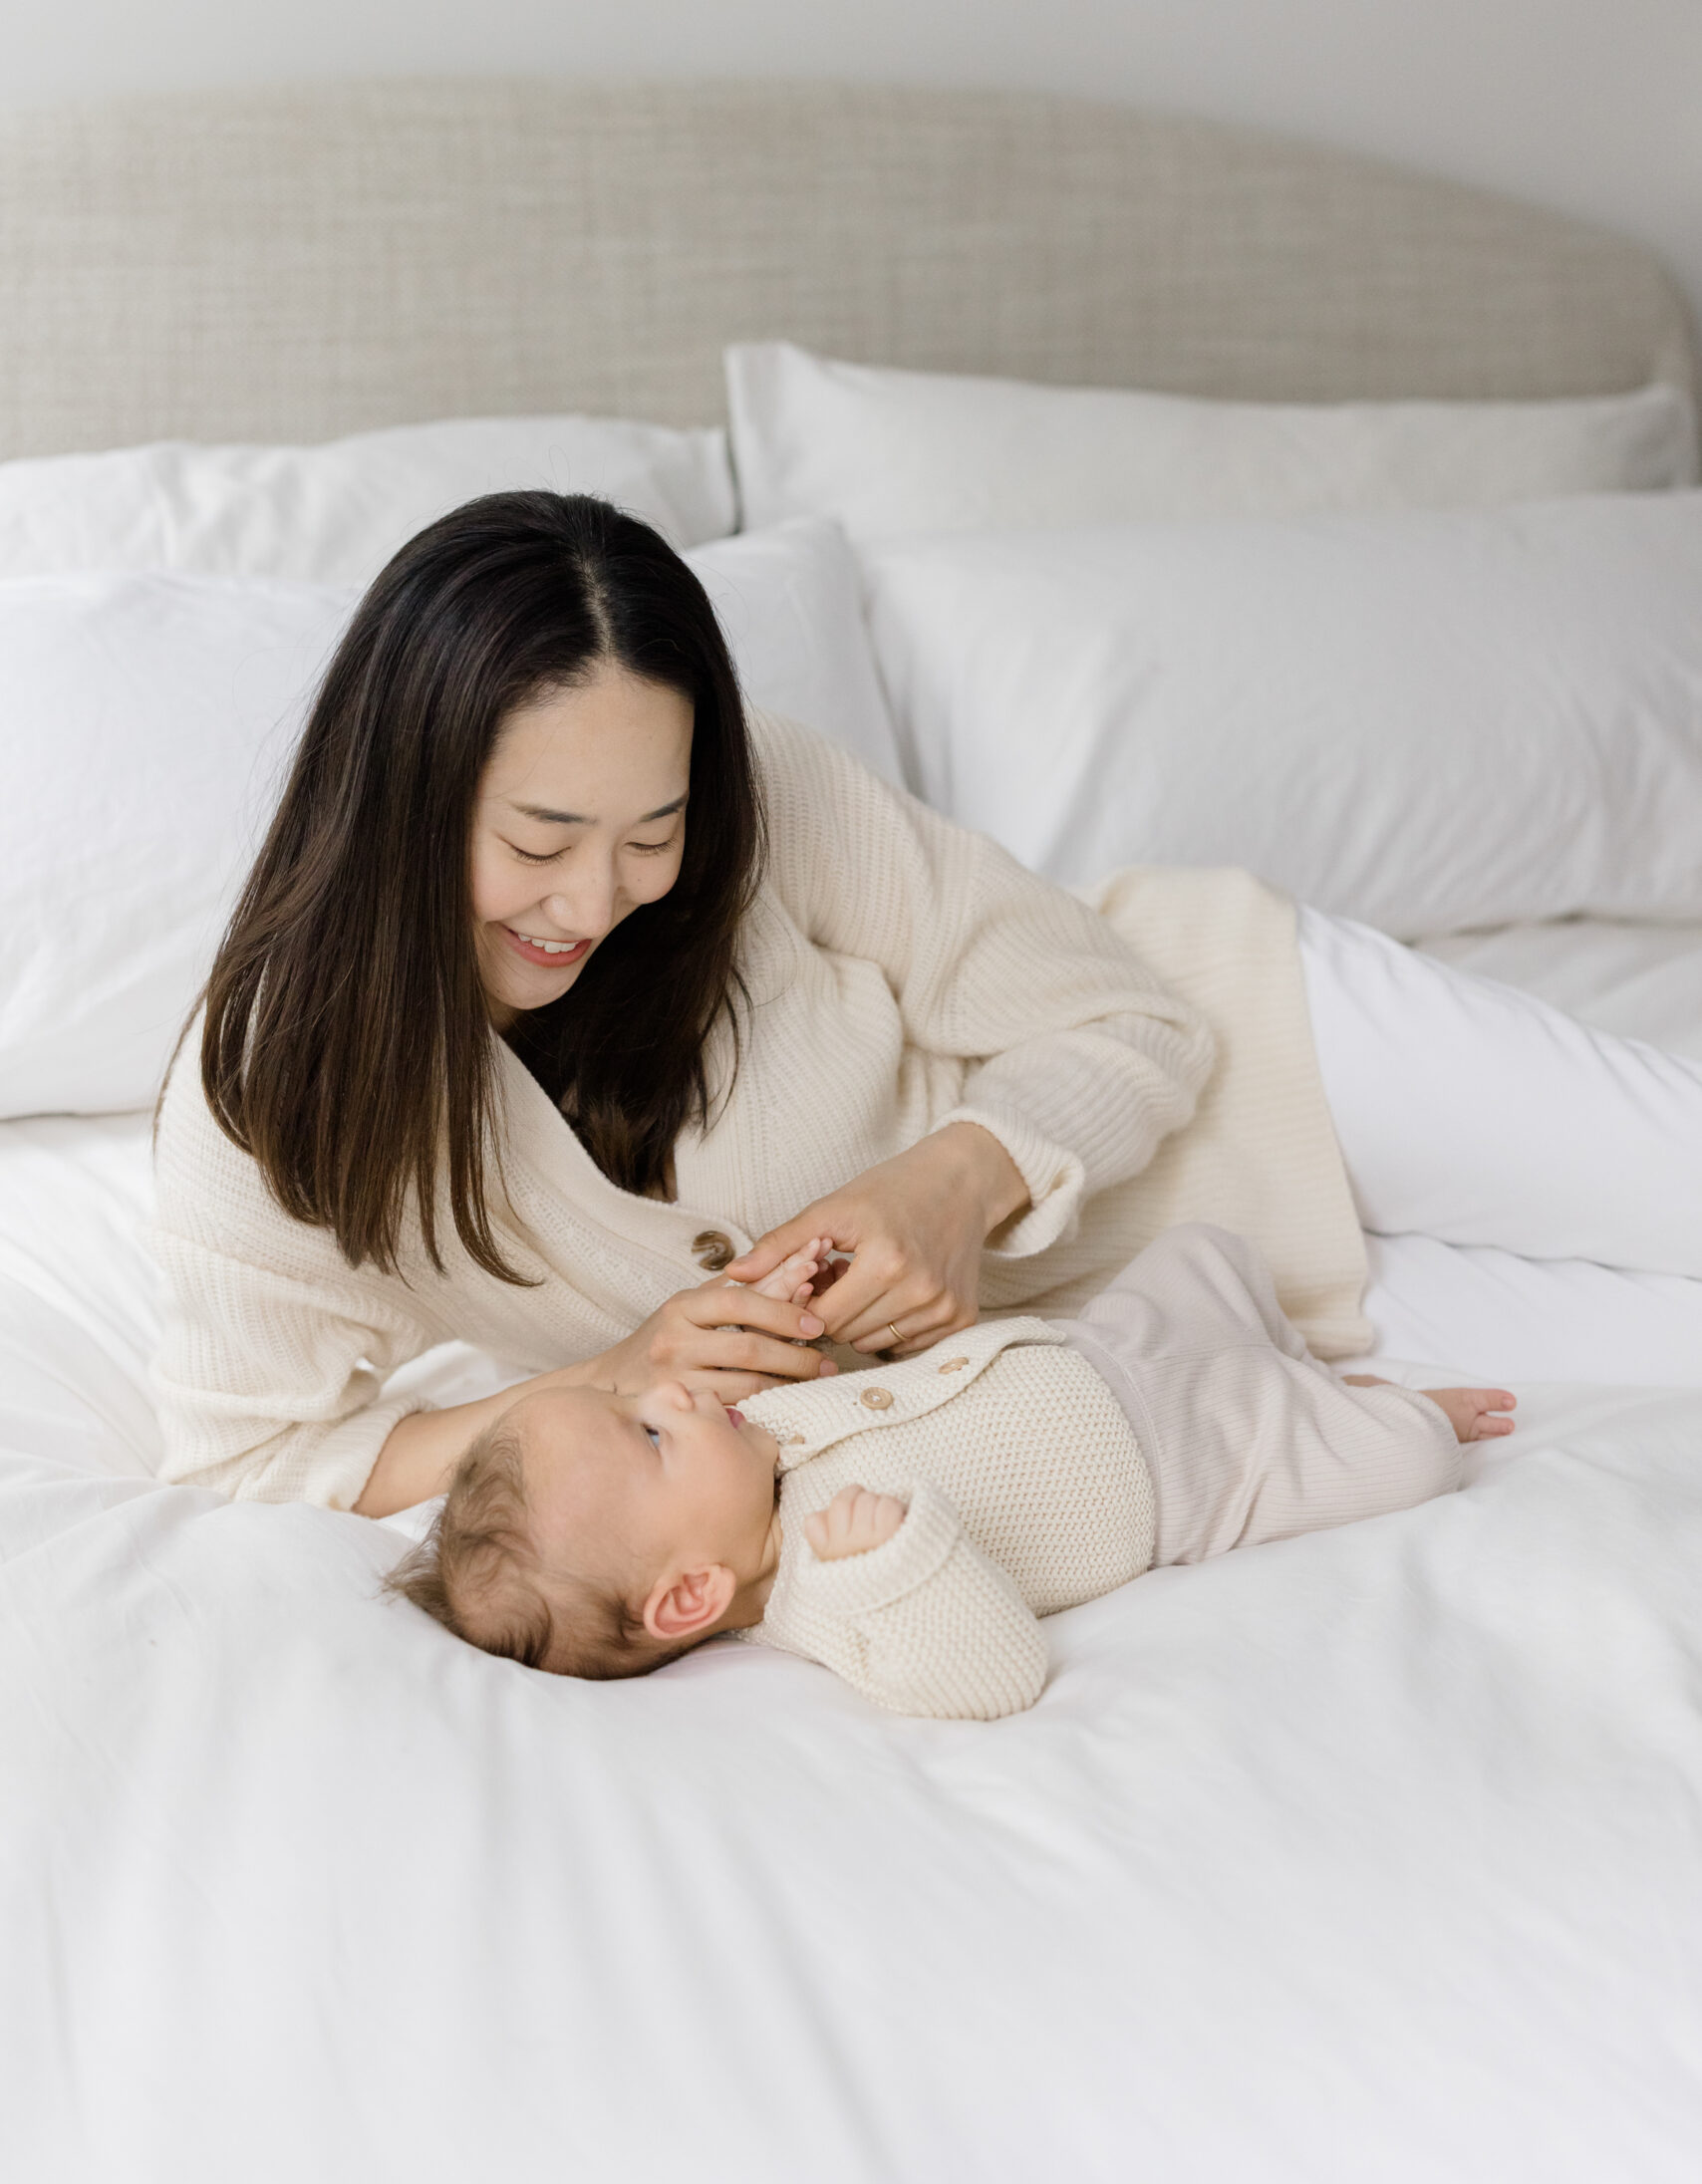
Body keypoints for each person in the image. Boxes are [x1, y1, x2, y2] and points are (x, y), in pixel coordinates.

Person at [150, 491, 1701, 1519]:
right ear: (402, 793)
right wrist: (612, 1377)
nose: (596, 901)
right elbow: (257, 1461)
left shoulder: (782, 808)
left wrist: (947, 1184)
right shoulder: (270, 1100)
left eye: (655, 832)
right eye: (540, 840)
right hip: (1204, 1349)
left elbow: (1137, 1023)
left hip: (1284, 1063)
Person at [384, 1222, 1517, 1719]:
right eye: (648, 1438)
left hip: (1094, 1348)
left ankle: (1293, 1365)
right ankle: (1356, 1407)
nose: (668, 1392)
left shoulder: (750, 1451)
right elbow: (989, 1673)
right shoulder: (829, 1585)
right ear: (690, 1594)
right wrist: (896, 1562)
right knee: (1406, 1459)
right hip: (1184, 1469)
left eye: (631, 1400)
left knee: (1208, 1250)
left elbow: (856, 1381)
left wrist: (791, 1314)